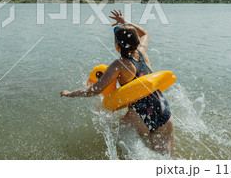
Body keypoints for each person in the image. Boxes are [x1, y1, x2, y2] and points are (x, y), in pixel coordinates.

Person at [60, 10, 174, 157]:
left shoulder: (119, 65)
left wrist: (71, 93)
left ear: (117, 45)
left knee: (119, 137)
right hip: (164, 112)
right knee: (168, 161)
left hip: (142, 116)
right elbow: (145, 33)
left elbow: (95, 89)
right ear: (136, 42)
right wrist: (125, 22)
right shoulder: (142, 52)